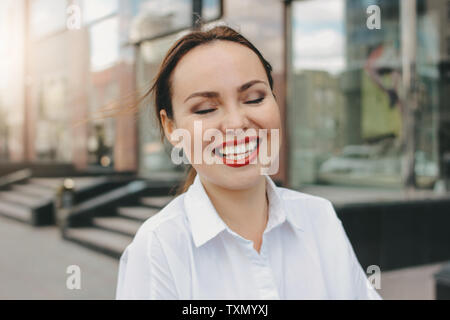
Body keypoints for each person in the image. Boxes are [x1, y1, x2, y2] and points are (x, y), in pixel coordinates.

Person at [115, 25, 382, 300]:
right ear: (170, 127)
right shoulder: (158, 248)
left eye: (254, 98)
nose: (236, 123)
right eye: (206, 108)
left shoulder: (319, 218)